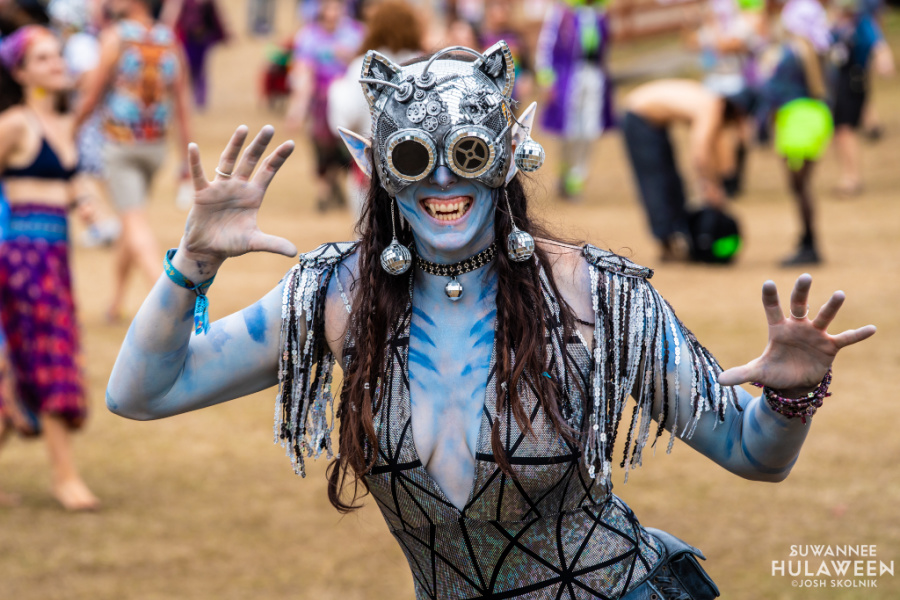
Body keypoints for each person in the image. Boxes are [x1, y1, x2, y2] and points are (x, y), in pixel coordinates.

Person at [106, 43, 875, 598]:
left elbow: (752, 453)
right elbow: (141, 392)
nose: (444, 178)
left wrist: (791, 398)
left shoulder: (593, 294)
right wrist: (191, 263)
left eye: (469, 152)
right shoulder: (336, 296)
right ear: (378, 168)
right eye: (416, 157)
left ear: (507, 155)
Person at [0, 25, 99, 511]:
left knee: (18, 363)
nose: (56, 63)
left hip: (55, 257)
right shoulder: (14, 124)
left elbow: (73, 179)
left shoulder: (63, 124)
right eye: (42, 58)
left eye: (57, 55)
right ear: (19, 73)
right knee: (50, 357)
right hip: (21, 258)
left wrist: (86, 201)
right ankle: (65, 479)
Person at [74, 0, 192, 320]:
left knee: (135, 223)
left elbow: (91, 95)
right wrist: (186, 158)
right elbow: (182, 104)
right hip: (156, 146)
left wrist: (69, 132)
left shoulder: (116, 37)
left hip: (121, 145)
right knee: (132, 220)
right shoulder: (169, 39)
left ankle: (170, 303)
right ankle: (116, 301)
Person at [621, 79, 746, 262]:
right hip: (638, 116)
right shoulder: (713, 107)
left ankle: (675, 237)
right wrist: (708, 184)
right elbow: (700, 152)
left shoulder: (711, 101)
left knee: (671, 182)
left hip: (652, 122)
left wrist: (717, 180)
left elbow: (715, 149)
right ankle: (667, 243)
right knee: (657, 183)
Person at [327, 0, 424, 216]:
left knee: (370, 232)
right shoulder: (424, 66)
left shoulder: (364, 67)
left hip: (372, 171)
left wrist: (336, 89)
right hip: (420, 169)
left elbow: (342, 120)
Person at [754, 0, 832, 266]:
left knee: (799, 186)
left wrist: (761, 126)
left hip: (795, 120)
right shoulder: (821, 49)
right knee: (803, 184)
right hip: (818, 118)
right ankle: (807, 240)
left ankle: (809, 243)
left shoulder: (789, 54)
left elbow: (772, 91)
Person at [285, 0, 362, 212]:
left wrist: (348, 56)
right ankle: (325, 188)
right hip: (320, 101)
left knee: (346, 144)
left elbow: (364, 64)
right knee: (320, 143)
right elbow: (302, 73)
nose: (332, 13)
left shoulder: (356, 33)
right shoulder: (308, 36)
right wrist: (296, 112)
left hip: (349, 97)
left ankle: (335, 182)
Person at [536, 0, 613, 199]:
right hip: (569, 77)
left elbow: (604, 48)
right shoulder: (562, 13)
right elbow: (546, 46)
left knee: (591, 128)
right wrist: (546, 78)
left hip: (594, 77)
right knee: (568, 130)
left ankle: (577, 177)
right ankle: (566, 170)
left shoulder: (600, 13)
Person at [829, 0, 894, 196]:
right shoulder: (836, 23)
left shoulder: (861, 23)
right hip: (839, 83)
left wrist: (884, 60)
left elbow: (879, 45)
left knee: (845, 129)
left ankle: (852, 177)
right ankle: (849, 175)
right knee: (840, 131)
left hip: (852, 81)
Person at [162, 0, 228, 110]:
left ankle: (200, 100)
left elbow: (216, 19)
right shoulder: (183, 3)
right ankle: (189, 99)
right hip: (188, 40)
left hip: (203, 39)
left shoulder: (207, 3)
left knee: (200, 70)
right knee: (188, 70)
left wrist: (223, 35)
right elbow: (175, 19)